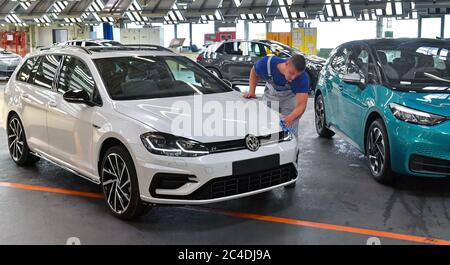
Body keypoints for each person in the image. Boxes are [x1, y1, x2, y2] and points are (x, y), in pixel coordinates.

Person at [244, 54, 310, 138]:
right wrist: (252, 91)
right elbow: (254, 71)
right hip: (270, 96)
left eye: (296, 75)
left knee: (289, 132)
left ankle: (290, 148)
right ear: (287, 63)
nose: (293, 78)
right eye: (291, 73)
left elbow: (301, 105)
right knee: (265, 127)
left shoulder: (302, 78)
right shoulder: (266, 63)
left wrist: (291, 117)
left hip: (290, 99)